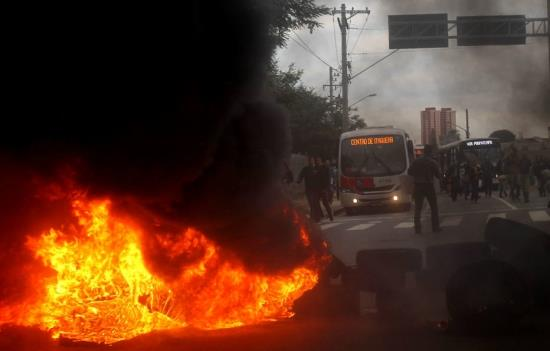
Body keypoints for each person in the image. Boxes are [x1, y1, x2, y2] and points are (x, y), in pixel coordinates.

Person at [407, 144, 441, 234]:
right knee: (434, 207)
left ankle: (417, 229)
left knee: (418, 208)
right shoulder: (432, 162)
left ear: (424, 151)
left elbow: (409, 172)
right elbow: (438, 175)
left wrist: (417, 175)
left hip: (418, 186)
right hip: (429, 186)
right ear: (430, 152)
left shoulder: (416, 161)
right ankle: (435, 227)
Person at [297, 157, 322, 222]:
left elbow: (322, 178)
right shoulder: (306, 169)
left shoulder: (317, 168)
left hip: (316, 189)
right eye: (310, 160)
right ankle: (313, 217)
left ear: (314, 161)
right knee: (311, 203)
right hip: (309, 189)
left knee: (316, 203)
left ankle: (317, 217)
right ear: (308, 162)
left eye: (312, 160)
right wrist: (299, 180)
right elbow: (301, 175)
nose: (311, 162)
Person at [315, 157, 334, 221]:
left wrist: (326, 188)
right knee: (316, 203)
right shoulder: (315, 168)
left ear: (321, 161)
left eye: (318, 160)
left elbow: (327, 178)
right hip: (317, 188)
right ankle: (319, 216)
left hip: (324, 188)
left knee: (325, 202)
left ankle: (331, 216)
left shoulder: (325, 168)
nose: (317, 162)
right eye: (316, 160)